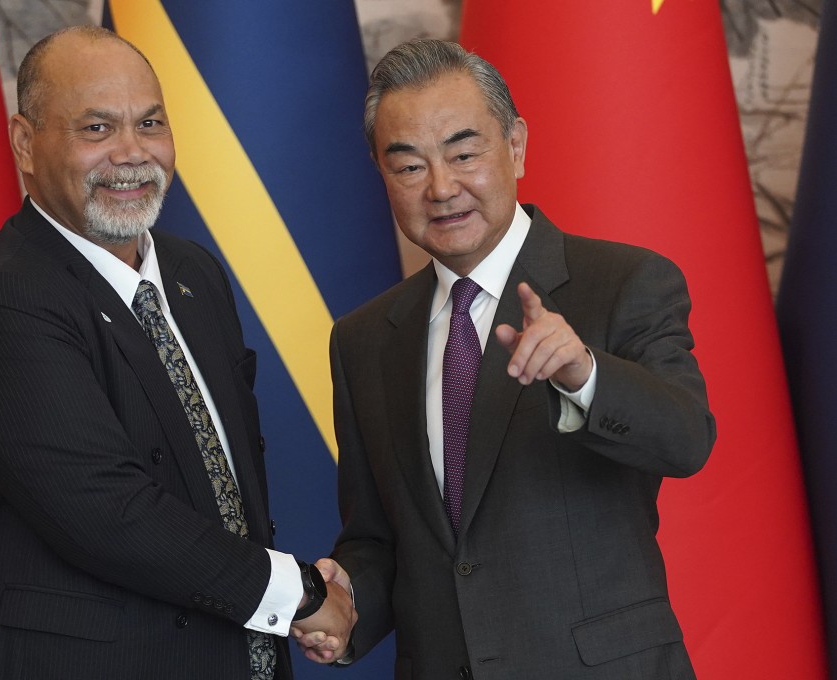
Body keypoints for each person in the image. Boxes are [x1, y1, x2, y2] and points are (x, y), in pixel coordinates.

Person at [0, 26, 354, 680]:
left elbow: (221, 489)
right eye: (96, 128)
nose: (131, 152)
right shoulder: (3, 299)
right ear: (25, 143)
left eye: (150, 123)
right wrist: (299, 594)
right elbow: (109, 512)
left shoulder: (194, 273)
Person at [297, 39, 716, 678]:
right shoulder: (363, 339)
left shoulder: (623, 281)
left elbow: (686, 440)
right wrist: (349, 601)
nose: (442, 187)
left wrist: (585, 376)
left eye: (464, 154)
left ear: (515, 145)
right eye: (408, 166)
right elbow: (382, 537)